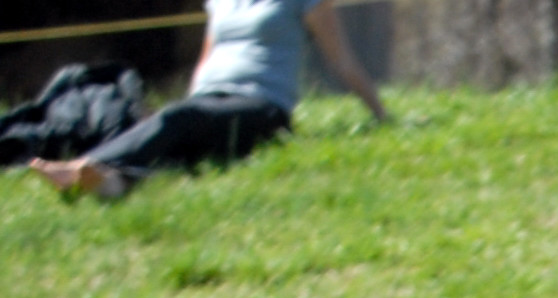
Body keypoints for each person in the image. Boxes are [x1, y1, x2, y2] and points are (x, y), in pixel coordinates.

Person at [30, 0, 382, 202]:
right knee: (178, 133)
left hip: (261, 104)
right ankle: (111, 183)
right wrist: (191, 100)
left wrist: (381, 114)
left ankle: (81, 166)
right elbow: (205, 60)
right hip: (209, 99)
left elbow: (342, 60)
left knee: (180, 120)